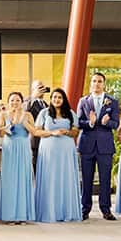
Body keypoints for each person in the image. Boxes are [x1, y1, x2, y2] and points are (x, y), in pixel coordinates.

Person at [33, 88, 82, 222]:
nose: (56, 99)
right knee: (50, 179)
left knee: (65, 178)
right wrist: (52, 133)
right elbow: (36, 132)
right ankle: (49, 212)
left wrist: (66, 132)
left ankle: (65, 211)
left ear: (64, 99)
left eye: (59, 97)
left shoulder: (70, 113)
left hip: (66, 151)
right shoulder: (44, 113)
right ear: (51, 99)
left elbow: (76, 132)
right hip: (49, 151)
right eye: (54, 97)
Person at [77, 72, 120, 220]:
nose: (97, 84)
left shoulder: (112, 102)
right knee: (86, 179)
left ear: (104, 84)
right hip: (87, 145)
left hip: (105, 146)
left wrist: (106, 123)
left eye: (99, 81)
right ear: (90, 83)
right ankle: (85, 209)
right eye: (94, 81)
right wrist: (90, 123)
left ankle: (106, 209)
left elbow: (116, 123)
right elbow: (78, 122)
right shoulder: (83, 101)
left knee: (105, 179)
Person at [0, 91, 37, 223]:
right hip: (9, 149)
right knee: (10, 179)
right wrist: (10, 125)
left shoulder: (28, 115)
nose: (15, 103)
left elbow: (34, 132)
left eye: (17, 100)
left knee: (23, 178)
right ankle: (9, 215)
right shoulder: (3, 115)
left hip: (23, 148)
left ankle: (23, 215)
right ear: (8, 102)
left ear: (22, 102)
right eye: (12, 100)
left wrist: (25, 123)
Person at [25, 80, 49, 172]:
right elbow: (24, 112)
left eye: (43, 87)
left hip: (45, 143)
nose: (42, 90)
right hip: (34, 143)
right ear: (33, 89)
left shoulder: (46, 105)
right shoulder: (28, 102)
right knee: (34, 170)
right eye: (39, 87)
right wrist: (33, 97)